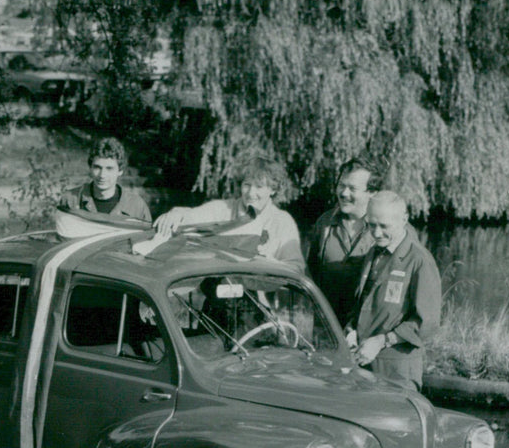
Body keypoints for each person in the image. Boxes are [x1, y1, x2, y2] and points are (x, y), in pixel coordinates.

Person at [345, 191, 441, 391]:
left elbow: (427, 322)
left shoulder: (419, 261)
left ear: (404, 220)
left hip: (397, 371)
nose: (376, 233)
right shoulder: (374, 253)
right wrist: (351, 329)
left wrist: (382, 341)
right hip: (364, 364)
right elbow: (363, 302)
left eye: (384, 226)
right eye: (371, 225)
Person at [152, 156, 305, 271]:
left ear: (273, 190)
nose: (251, 193)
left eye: (259, 187)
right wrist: (176, 213)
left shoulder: (283, 221)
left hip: (258, 303)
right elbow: (193, 217)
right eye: (247, 185)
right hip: (217, 300)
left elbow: (296, 268)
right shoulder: (223, 208)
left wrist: (268, 263)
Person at [307, 157, 377, 324]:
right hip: (327, 325)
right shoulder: (324, 222)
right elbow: (312, 269)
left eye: (352, 188)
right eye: (341, 185)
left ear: (372, 192)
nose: (344, 193)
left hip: (366, 327)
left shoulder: (383, 228)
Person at [56, 136, 151, 222]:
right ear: (90, 168)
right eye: (97, 167)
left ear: (120, 171)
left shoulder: (136, 206)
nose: (102, 175)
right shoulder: (71, 200)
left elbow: (146, 239)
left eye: (109, 168)